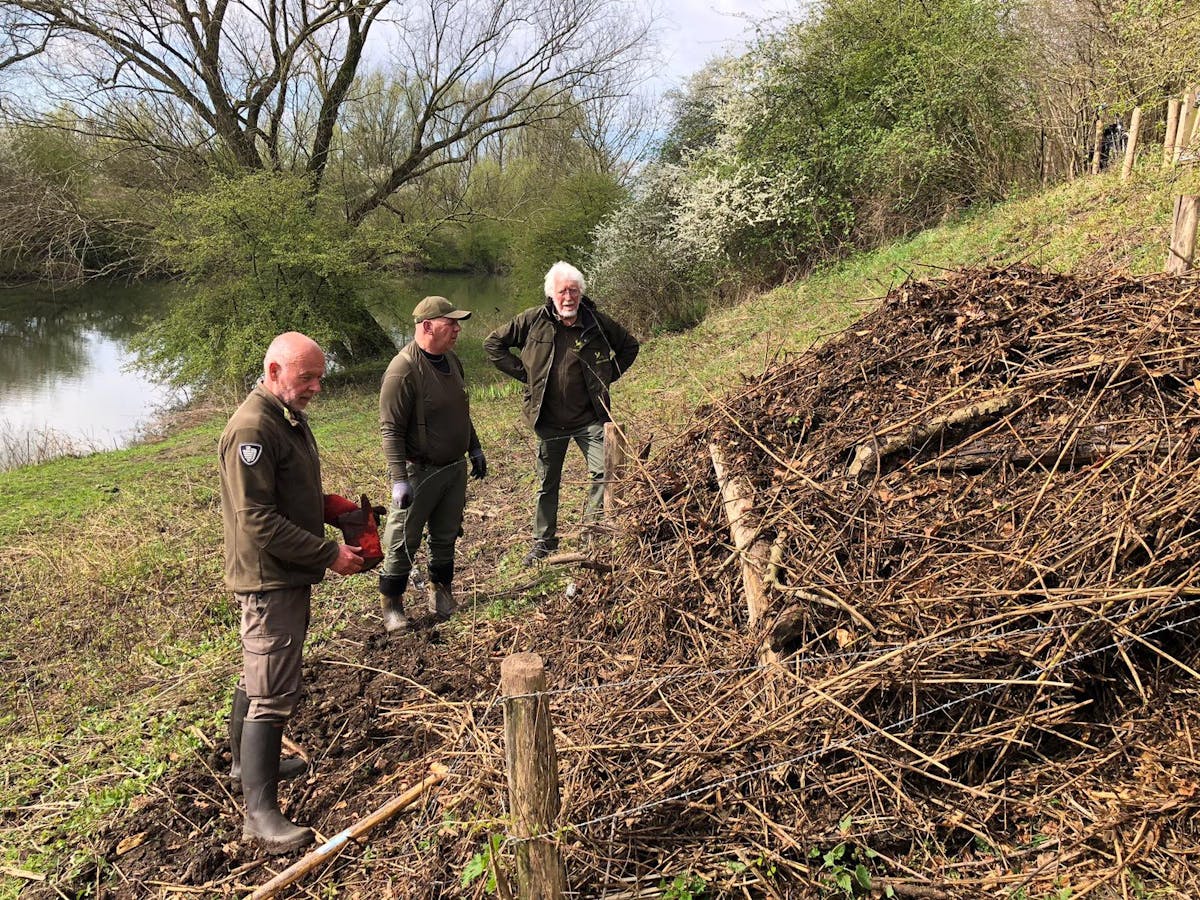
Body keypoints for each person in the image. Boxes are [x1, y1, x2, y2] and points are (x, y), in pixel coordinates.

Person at [218, 331, 365, 854]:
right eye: (307, 377)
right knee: (273, 690)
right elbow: (256, 519)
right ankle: (260, 815)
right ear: (274, 370)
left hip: (283, 572)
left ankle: (243, 765)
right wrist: (329, 553)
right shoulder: (253, 428)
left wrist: (327, 506)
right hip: (269, 577)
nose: (316, 387)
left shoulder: (284, 415)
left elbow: (284, 493)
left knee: (259, 672)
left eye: (320, 378)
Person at [484, 261, 638, 565]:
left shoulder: (596, 323)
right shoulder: (533, 320)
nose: (568, 297)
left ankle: (592, 534)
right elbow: (493, 345)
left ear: (581, 292)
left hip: (590, 418)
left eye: (574, 290)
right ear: (551, 294)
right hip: (548, 421)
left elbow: (629, 347)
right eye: (562, 291)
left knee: (604, 474)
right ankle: (544, 541)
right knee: (547, 482)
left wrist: (605, 376)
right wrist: (526, 375)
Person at [378, 296, 486, 633]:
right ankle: (392, 606)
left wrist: (475, 447)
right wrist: (399, 479)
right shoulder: (403, 369)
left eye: (457, 323)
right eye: (450, 323)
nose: (457, 329)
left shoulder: (452, 361)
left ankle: (441, 591)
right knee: (402, 538)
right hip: (419, 471)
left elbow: (460, 411)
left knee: (446, 533)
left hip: (453, 468)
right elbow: (391, 428)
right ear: (427, 326)